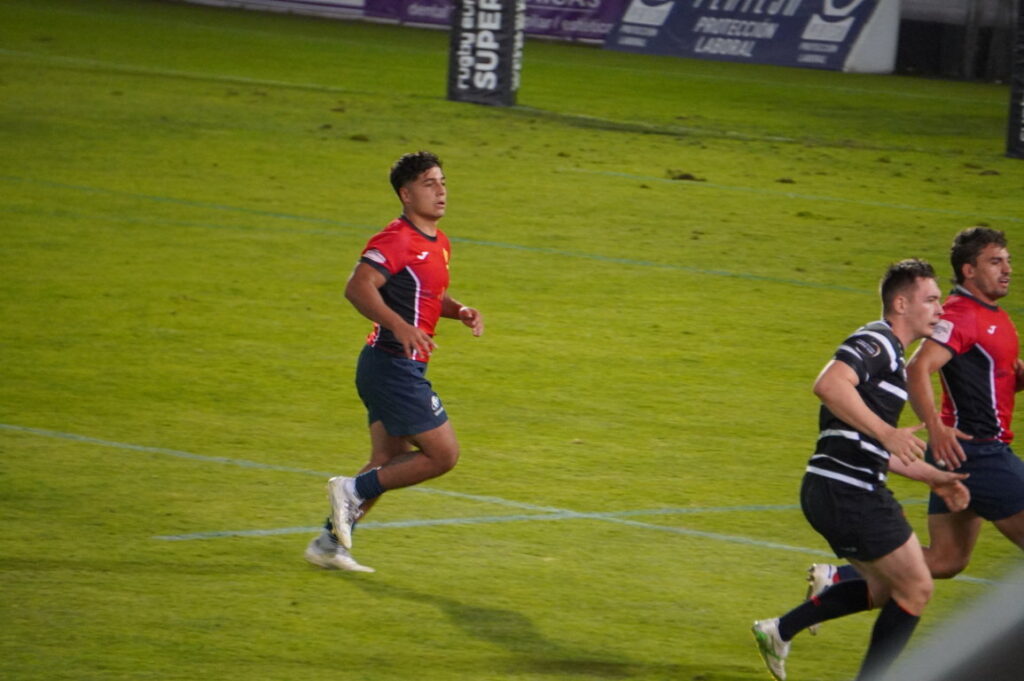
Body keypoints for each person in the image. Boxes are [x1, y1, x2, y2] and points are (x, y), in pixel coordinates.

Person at [751, 259, 970, 681]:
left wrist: (934, 477)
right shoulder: (878, 341)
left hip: (837, 488)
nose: (940, 309)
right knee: (918, 587)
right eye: (930, 300)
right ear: (902, 303)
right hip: (848, 492)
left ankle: (780, 629)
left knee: (888, 589)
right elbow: (829, 385)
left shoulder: (892, 360)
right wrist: (888, 433)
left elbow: (868, 445)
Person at [804, 227, 1024, 602]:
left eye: (1007, 261)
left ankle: (833, 582)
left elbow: (985, 380)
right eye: (994, 261)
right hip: (979, 451)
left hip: (977, 449)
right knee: (932, 570)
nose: (1007, 269)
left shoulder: (994, 316)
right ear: (969, 270)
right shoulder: (959, 315)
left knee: (947, 559)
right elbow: (918, 367)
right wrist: (937, 431)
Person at [304, 151, 484, 572]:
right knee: (443, 455)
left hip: (392, 365)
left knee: (388, 462)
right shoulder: (396, 238)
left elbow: (424, 296)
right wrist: (400, 326)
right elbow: (359, 287)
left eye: (442, 181)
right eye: (428, 183)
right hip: (391, 366)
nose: (440, 191)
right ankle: (351, 490)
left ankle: (328, 545)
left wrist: (457, 311)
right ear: (405, 194)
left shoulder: (438, 243)